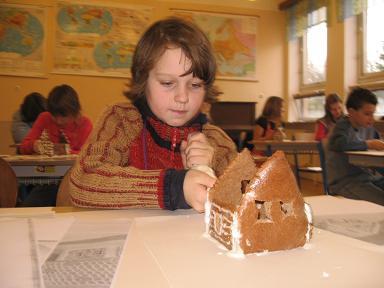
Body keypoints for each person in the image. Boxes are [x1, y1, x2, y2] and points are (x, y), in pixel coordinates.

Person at [69, 17, 238, 212]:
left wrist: (211, 173)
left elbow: (249, 198)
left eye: (195, 85)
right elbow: (83, 180)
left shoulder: (217, 141)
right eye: (167, 83)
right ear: (143, 80)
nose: (182, 97)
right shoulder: (122, 121)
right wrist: (174, 187)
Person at [326, 87, 384, 205]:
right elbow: (338, 144)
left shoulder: (368, 128)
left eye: (373, 114)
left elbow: (376, 159)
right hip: (345, 182)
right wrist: (368, 144)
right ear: (351, 112)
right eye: (367, 114)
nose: (372, 118)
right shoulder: (343, 126)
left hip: (367, 178)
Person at [19, 84, 93, 156]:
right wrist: (33, 145)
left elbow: (90, 155)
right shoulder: (44, 117)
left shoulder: (85, 124)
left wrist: (67, 152)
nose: (58, 121)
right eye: (54, 115)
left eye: (64, 116)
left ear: (74, 112)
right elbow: (23, 147)